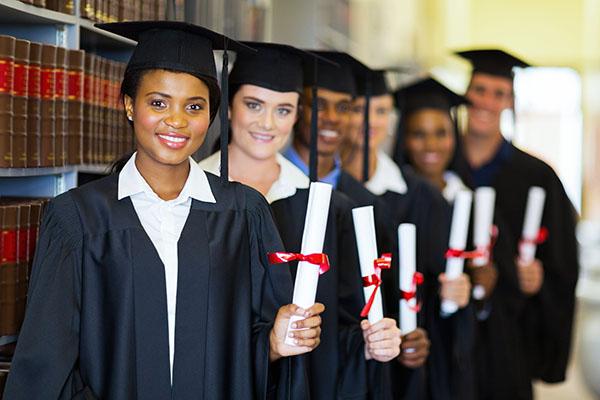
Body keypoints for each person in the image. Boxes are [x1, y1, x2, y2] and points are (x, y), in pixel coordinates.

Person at [3, 22, 320, 400]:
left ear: (211, 115)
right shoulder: (78, 218)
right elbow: (47, 362)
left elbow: (257, 350)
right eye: (158, 103)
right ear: (128, 105)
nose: (177, 120)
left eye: (194, 106)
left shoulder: (244, 213)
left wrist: (273, 341)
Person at [199, 42, 387, 399]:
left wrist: (370, 340)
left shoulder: (328, 209)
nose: (267, 123)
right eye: (254, 105)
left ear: (298, 115)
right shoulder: (189, 196)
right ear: (229, 106)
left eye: (283, 110)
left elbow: (342, 327)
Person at [396, 76, 531, 399]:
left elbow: (502, 295)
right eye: (418, 134)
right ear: (404, 139)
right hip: (414, 357)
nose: (431, 145)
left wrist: (483, 289)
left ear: (454, 136)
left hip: (468, 357)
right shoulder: (394, 201)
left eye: (441, 133)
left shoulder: (470, 201)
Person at [455, 49, 579, 397]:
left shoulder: (538, 176)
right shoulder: (439, 166)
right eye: (479, 89)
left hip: (509, 338)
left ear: (510, 101)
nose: (487, 102)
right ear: (466, 93)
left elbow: (564, 262)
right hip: (446, 334)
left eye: (499, 93)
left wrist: (541, 279)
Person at [342, 71, 471, 400]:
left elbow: (432, 291)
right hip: (337, 360)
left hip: (404, 365)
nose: (370, 121)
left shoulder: (423, 198)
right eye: (358, 109)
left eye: (381, 111)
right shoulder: (319, 190)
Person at [283, 50, 402, 398]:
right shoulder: (264, 192)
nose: (333, 118)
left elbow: (380, 306)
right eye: (318, 104)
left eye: (345, 106)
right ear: (297, 109)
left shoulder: (368, 206)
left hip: (339, 377)